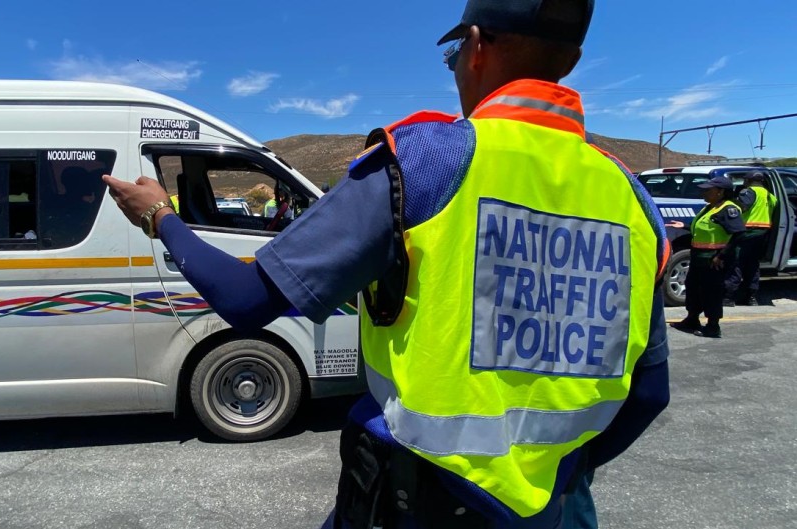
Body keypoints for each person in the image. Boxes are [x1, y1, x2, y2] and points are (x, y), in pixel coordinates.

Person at [103, 0, 671, 526]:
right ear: (569, 61)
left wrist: (161, 218)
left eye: (453, 54)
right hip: (564, 505)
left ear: (475, 46)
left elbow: (246, 300)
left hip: (418, 501)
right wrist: (559, 471)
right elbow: (648, 393)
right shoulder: (631, 198)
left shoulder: (423, 161)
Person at [671, 176, 745, 338]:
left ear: (720, 192)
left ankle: (713, 326)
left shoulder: (728, 209)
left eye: (708, 190)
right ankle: (692, 319)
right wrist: (684, 226)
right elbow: (705, 229)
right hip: (699, 257)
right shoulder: (710, 207)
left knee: (711, 292)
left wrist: (721, 256)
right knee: (693, 288)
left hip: (713, 260)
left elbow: (738, 234)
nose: (703, 192)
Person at [726, 169, 778, 306]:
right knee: (752, 265)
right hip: (762, 233)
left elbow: (743, 206)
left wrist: (729, 200)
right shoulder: (769, 195)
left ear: (748, 181)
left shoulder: (748, 192)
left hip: (746, 231)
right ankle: (751, 297)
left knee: (736, 263)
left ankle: (729, 297)